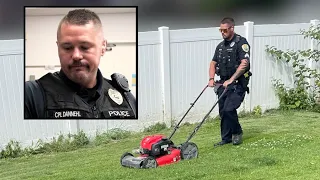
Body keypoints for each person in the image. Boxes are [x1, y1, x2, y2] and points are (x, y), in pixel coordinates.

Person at [24, 9, 136, 119]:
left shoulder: (125, 98)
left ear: (103, 47)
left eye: (85, 47)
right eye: (67, 48)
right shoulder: (31, 95)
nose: (76, 55)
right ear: (58, 48)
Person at [208, 17, 252, 147]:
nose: (222, 32)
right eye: (220, 30)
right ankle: (226, 138)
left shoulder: (241, 43)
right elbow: (213, 63)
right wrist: (211, 79)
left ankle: (237, 132)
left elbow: (244, 63)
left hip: (238, 84)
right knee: (223, 111)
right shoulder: (220, 46)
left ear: (232, 28)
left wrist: (231, 79)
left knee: (229, 109)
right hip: (222, 83)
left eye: (225, 30)